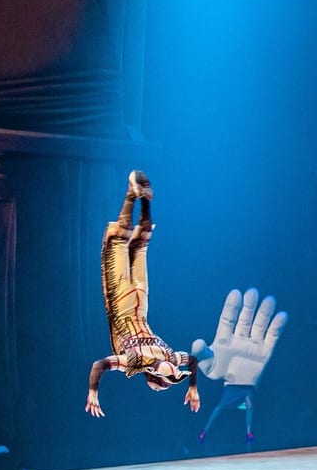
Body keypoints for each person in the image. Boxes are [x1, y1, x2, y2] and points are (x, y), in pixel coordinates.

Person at [85, 171, 199, 418]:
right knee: (130, 245)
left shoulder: (141, 360)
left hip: (132, 301)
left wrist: (93, 392)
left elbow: (99, 365)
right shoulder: (161, 358)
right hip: (132, 301)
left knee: (129, 245)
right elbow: (191, 360)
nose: (172, 373)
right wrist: (192, 386)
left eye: (167, 380)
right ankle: (139, 197)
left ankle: (138, 197)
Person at [193, 288, 288, 444]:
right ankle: (206, 431)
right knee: (221, 408)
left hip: (247, 386)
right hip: (232, 385)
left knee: (249, 406)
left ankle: (248, 432)